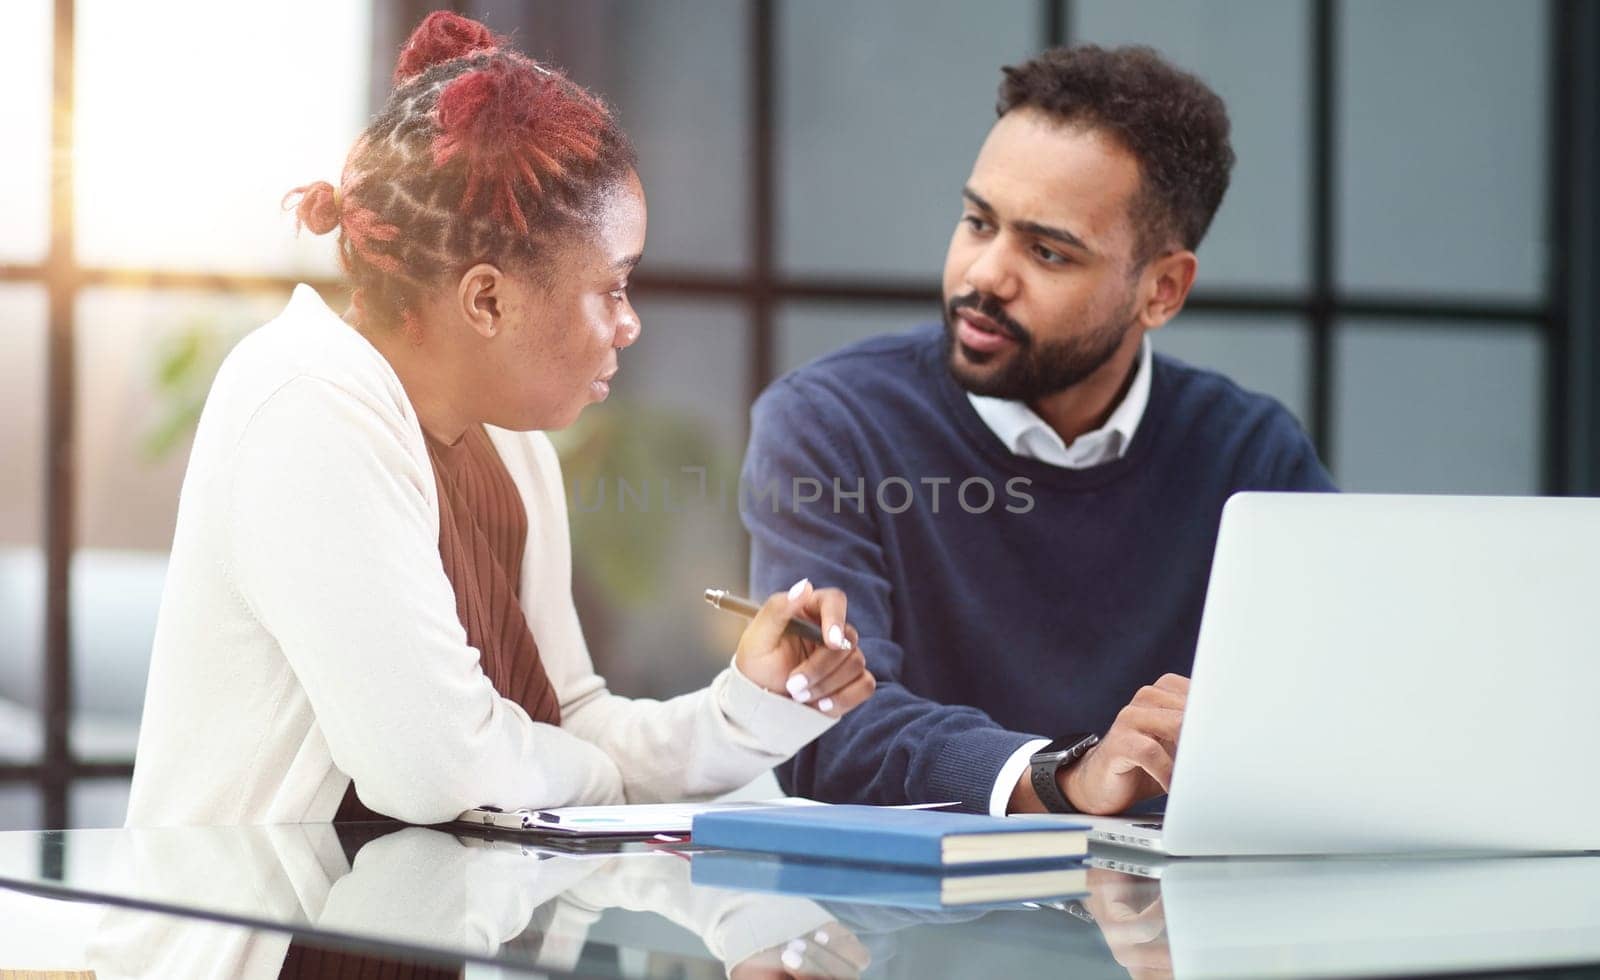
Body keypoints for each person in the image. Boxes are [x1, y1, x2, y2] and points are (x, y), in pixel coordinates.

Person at [125, 12, 873, 828]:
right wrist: (592, 777)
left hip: (425, 932)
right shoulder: (304, 400)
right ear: (487, 298)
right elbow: (434, 767)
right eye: (612, 289)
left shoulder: (511, 443)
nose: (630, 325)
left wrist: (751, 701)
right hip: (276, 944)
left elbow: (564, 720)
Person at [741, 45, 1334, 818]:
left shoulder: (1250, 453)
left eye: (1047, 251)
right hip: (912, 925)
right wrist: (1062, 777)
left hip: (1171, 923)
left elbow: (1331, 718)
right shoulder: (831, 425)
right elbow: (823, 726)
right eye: (977, 221)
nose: (985, 275)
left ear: (1162, 290)